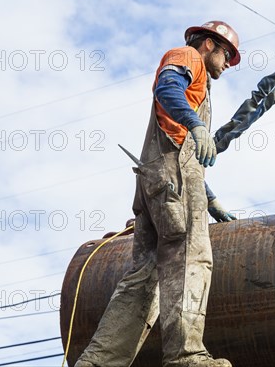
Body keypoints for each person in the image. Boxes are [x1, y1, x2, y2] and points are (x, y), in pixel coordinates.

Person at [74, 21, 240, 367]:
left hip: (158, 179)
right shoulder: (189, 58)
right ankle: (186, 356)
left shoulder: (196, 75)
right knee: (189, 259)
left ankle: (99, 362)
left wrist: (210, 200)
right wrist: (196, 124)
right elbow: (167, 88)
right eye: (227, 55)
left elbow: (179, 149)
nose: (227, 64)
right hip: (171, 178)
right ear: (209, 44)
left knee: (145, 277)